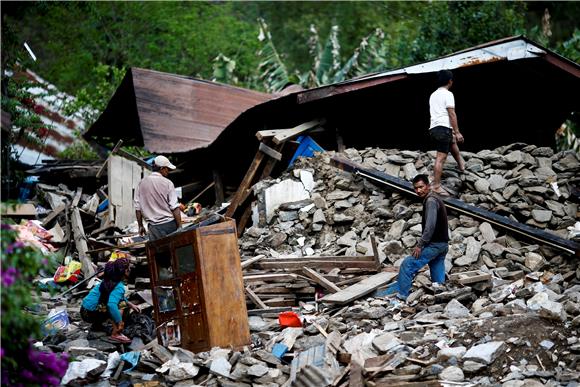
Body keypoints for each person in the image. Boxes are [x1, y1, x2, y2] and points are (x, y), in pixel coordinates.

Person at [381, 174, 449, 301]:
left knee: (407, 264)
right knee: (436, 266)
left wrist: (420, 245)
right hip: (443, 245)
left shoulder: (431, 201)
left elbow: (430, 226)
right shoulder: (435, 198)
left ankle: (402, 296)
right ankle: (441, 295)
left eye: (421, 187)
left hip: (434, 244)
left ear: (428, 186)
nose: (418, 190)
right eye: (416, 188)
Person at [80, 258, 140, 343]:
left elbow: (117, 297)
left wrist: (131, 305)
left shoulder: (108, 280)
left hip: (84, 311)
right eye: (128, 269)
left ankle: (97, 325)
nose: (130, 270)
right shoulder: (119, 286)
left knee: (117, 302)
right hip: (91, 314)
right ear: (125, 271)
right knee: (121, 304)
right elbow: (111, 304)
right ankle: (116, 334)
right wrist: (120, 322)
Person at [428, 69, 465, 196]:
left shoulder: (433, 94)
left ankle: (461, 166)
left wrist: (453, 133)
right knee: (441, 157)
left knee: (452, 141)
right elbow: (451, 114)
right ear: (450, 81)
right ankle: (437, 186)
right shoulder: (448, 94)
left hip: (434, 128)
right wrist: (457, 131)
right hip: (443, 128)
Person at [135, 155, 181, 241]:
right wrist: (180, 226)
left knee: (159, 252)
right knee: (174, 251)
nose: (168, 171)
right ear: (162, 168)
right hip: (169, 226)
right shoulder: (168, 183)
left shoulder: (141, 184)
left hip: (153, 229)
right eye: (167, 169)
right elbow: (174, 207)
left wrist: (140, 226)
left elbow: (138, 208)